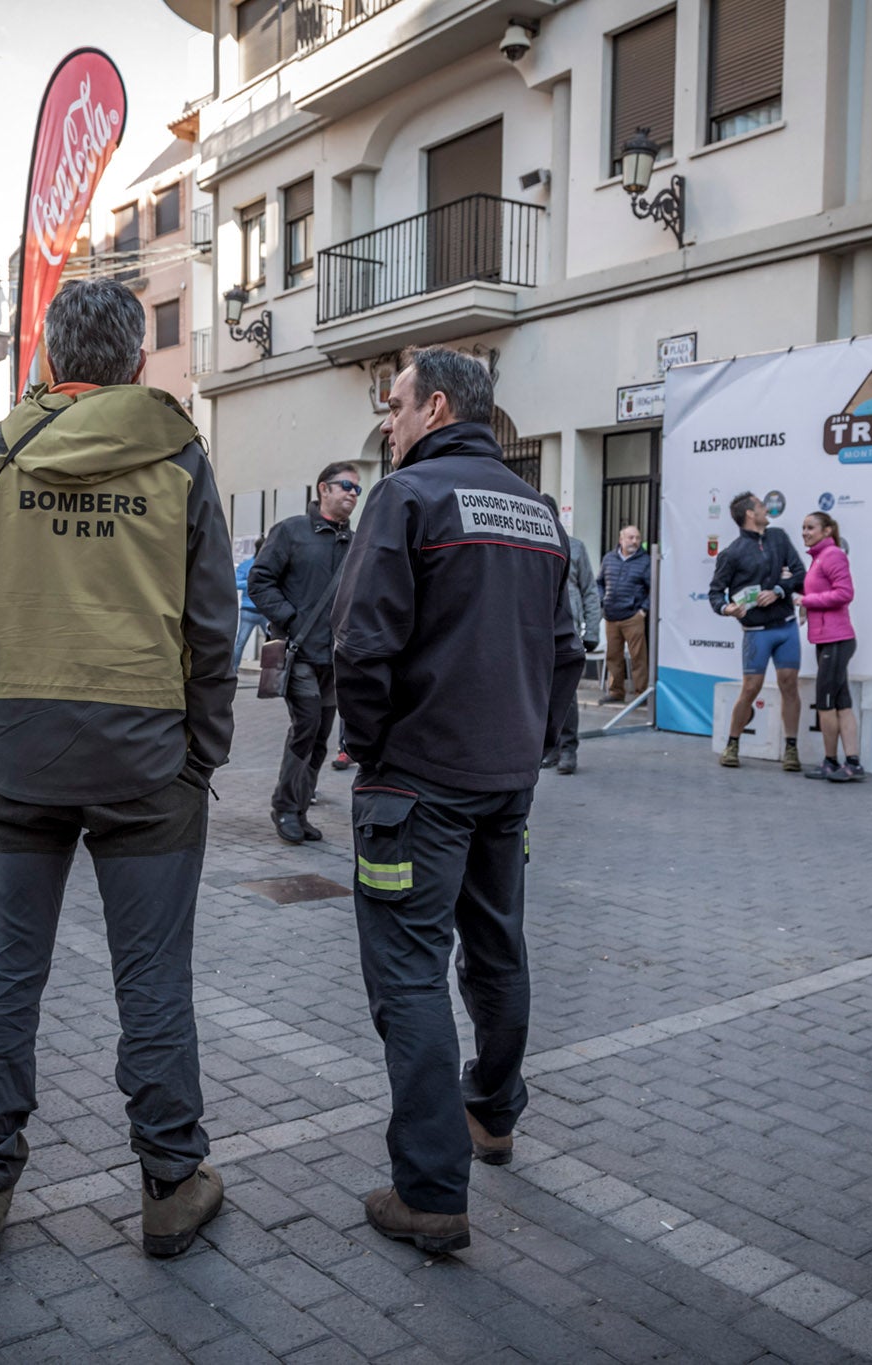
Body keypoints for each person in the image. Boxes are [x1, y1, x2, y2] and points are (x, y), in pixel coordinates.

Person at [0, 279, 236, 1260]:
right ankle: (170, 1184)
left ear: (52, 360)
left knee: (5, 978)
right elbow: (214, 629)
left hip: (14, 751)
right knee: (152, 980)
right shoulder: (179, 456)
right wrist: (199, 757)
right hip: (147, 757)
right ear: (138, 360)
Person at [332, 347, 584, 1254]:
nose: (387, 422)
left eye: (394, 406)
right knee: (495, 946)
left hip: (416, 784)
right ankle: (493, 1114)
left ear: (436, 407)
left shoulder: (406, 498)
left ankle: (432, 1191)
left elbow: (359, 644)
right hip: (504, 782)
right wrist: (536, 740)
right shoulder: (538, 511)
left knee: (408, 972)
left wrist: (369, 742)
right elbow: (566, 647)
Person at [249, 462, 361, 843]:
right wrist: (290, 618)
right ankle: (284, 808)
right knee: (306, 726)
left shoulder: (356, 542)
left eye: (357, 489)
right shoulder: (291, 532)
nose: (352, 494)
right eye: (346, 485)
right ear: (323, 489)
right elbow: (259, 581)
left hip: (334, 658)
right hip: (297, 652)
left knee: (320, 734)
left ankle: (299, 808)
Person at [708, 491, 807, 771]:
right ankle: (732, 744)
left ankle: (791, 748)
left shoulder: (779, 537)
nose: (767, 510)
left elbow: (801, 575)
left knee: (789, 684)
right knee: (751, 688)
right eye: (762, 506)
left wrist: (778, 590)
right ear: (750, 514)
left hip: (786, 625)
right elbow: (715, 594)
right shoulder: (732, 553)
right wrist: (728, 609)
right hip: (756, 631)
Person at [795, 511, 862, 781]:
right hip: (827, 640)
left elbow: (845, 593)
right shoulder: (818, 558)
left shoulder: (833, 555)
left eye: (810, 527)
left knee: (826, 704)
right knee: (841, 702)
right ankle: (851, 763)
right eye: (803, 528)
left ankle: (832, 761)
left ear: (827, 531)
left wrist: (806, 602)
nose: (805, 532)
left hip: (836, 640)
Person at [543, 497, 601, 775]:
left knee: (567, 692)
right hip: (537, 630)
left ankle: (568, 749)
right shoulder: (534, 544)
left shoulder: (575, 547)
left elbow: (590, 590)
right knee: (542, 691)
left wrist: (593, 630)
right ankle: (551, 748)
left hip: (567, 630)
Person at [596, 525, 650, 705]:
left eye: (637, 538)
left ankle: (641, 694)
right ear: (621, 539)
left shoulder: (645, 561)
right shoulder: (609, 558)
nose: (635, 541)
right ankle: (616, 691)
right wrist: (602, 600)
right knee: (613, 656)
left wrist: (643, 610)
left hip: (632, 616)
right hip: (611, 615)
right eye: (630, 538)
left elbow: (653, 588)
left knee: (638, 658)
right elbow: (600, 582)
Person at [232, 538, 268, 673]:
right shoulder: (247, 565)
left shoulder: (269, 564)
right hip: (249, 611)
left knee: (274, 643)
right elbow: (235, 582)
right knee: (240, 642)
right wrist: (253, 583)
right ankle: (233, 670)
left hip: (266, 611)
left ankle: (274, 672)